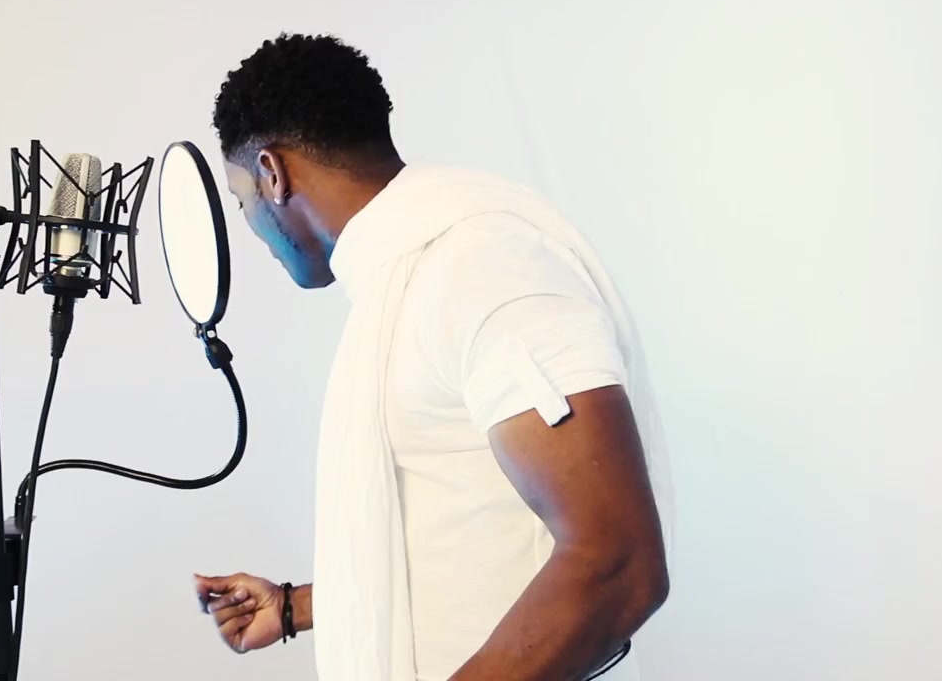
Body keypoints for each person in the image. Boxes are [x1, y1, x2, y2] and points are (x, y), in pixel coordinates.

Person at [193, 33, 674, 681]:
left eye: (242, 199)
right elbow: (467, 526)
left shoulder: (481, 266)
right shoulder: (413, 276)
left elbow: (618, 563)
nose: (251, 227)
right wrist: (298, 605)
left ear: (272, 174)